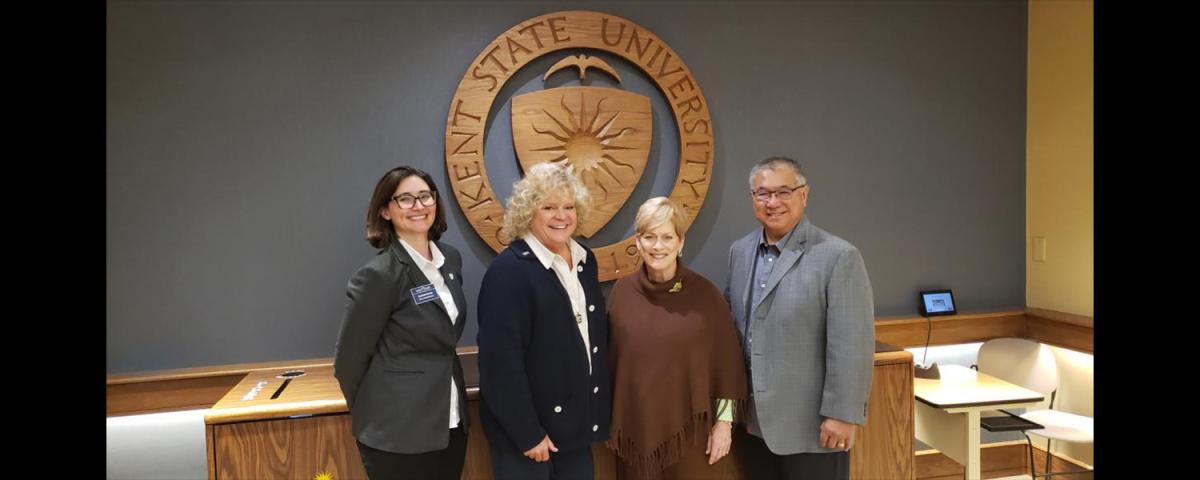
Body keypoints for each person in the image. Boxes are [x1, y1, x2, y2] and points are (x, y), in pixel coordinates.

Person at [724, 156, 875, 480]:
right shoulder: (740, 251)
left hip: (813, 427)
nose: (772, 202)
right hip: (752, 423)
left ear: (804, 194)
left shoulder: (837, 256)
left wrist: (842, 414)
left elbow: (852, 343)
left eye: (783, 192)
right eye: (762, 193)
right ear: (752, 198)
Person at [476, 162, 611, 480]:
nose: (561, 216)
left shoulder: (584, 261)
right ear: (528, 213)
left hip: (576, 433)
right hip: (529, 440)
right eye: (548, 207)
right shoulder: (508, 271)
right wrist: (528, 433)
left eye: (568, 206)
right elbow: (500, 364)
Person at [333, 166, 468, 480]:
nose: (418, 206)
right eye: (405, 199)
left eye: (425, 196)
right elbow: (348, 363)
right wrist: (379, 411)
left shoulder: (450, 260)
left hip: (449, 423)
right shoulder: (379, 275)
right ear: (385, 210)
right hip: (398, 433)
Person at [605, 197, 747, 480]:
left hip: (693, 434)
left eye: (667, 237)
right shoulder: (622, 294)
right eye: (650, 237)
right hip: (637, 432)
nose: (658, 246)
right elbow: (612, 365)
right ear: (638, 241)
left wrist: (724, 425)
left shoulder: (705, 296)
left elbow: (726, 367)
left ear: (680, 242)